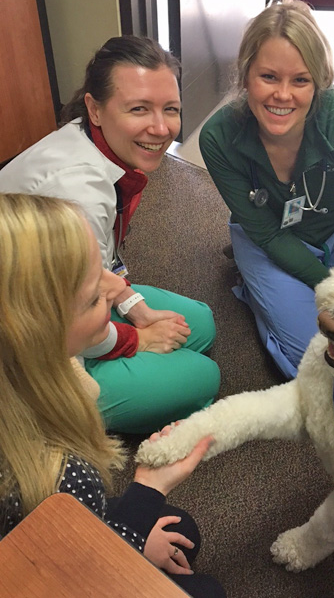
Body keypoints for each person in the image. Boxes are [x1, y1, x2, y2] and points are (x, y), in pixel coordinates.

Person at [0, 193, 225, 597]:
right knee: (207, 591)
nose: (117, 284)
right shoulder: (56, 474)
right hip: (48, 568)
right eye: (92, 297)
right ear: (38, 331)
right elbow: (68, 575)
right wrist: (147, 491)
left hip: (55, 531)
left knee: (180, 529)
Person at [0, 36, 220, 434]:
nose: (161, 127)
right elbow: (68, 313)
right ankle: (37, 416)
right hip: (27, 343)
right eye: (139, 109)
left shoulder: (90, 139)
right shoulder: (74, 194)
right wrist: (137, 339)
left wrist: (138, 311)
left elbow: (102, 270)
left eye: (170, 109)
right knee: (203, 377)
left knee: (200, 324)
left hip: (66, 299)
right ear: (94, 109)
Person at [199, 0, 334, 380]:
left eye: (300, 80)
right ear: (245, 76)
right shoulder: (218, 137)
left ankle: (264, 285)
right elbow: (268, 233)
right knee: (315, 363)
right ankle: (254, 286)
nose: (283, 95)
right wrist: (331, 287)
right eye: (269, 77)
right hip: (266, 238)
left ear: (318, 82)